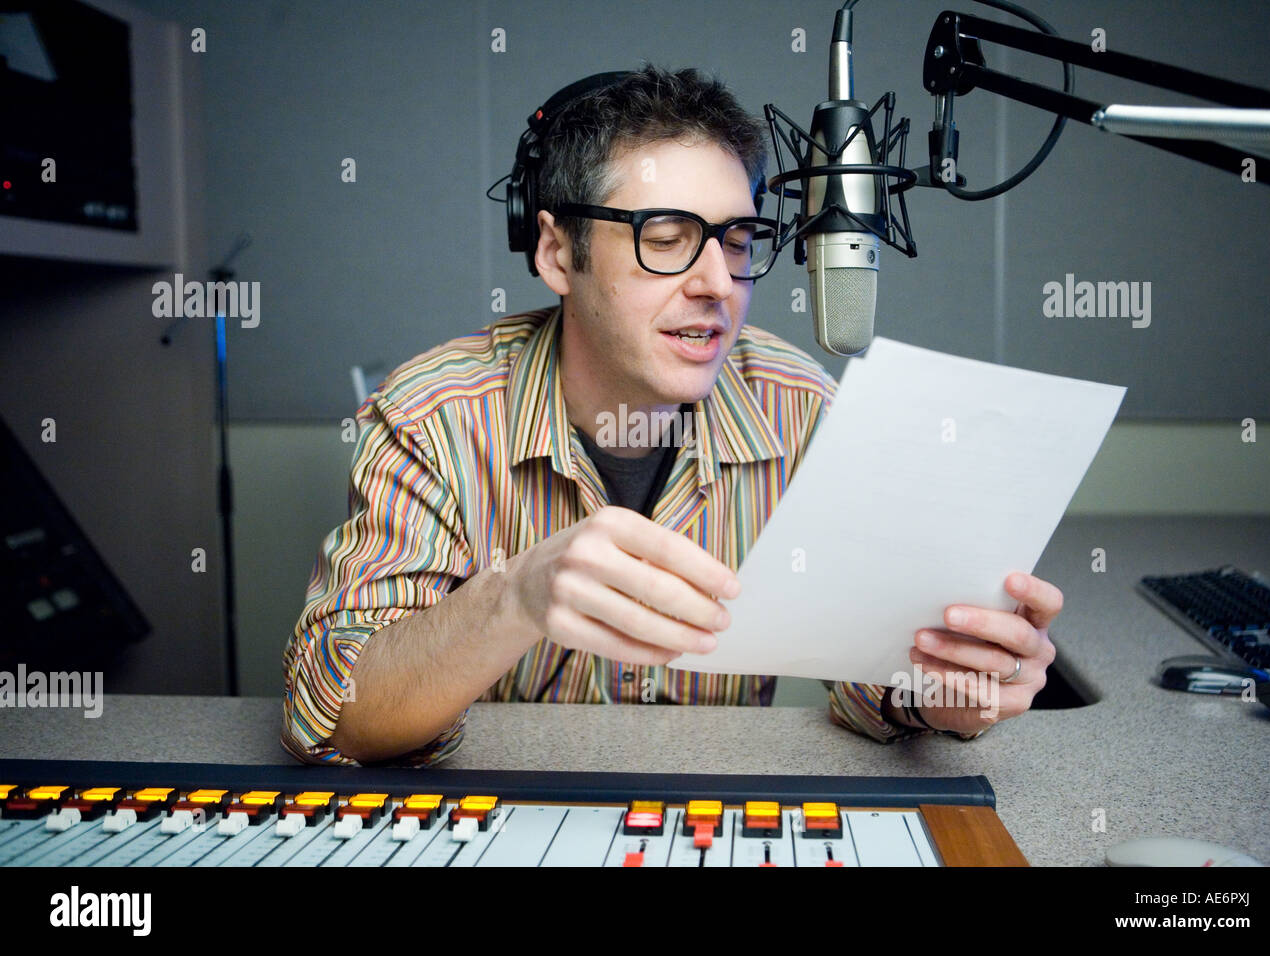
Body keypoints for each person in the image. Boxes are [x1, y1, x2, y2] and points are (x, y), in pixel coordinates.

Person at [280, 65, 1061, 766]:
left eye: (738, 237)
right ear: (556, 254)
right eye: (666, 238)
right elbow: (338, 715)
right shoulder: (432, 417)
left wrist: (939, 690)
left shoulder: (799, 408)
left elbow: (869, 676)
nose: (718, 282)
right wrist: (515, 597)